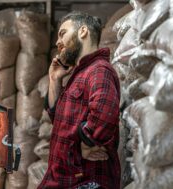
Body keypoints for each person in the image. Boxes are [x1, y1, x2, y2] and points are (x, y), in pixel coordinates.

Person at [38, 11, 121, 189]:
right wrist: (54, 79)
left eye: (63, 34)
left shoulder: (99, 70)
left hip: (85, 180)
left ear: (83, 31)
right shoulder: (81, 74)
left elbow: (105, 112)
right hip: (65, 179)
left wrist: (87, 143)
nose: (57, 42)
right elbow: (59, 119)